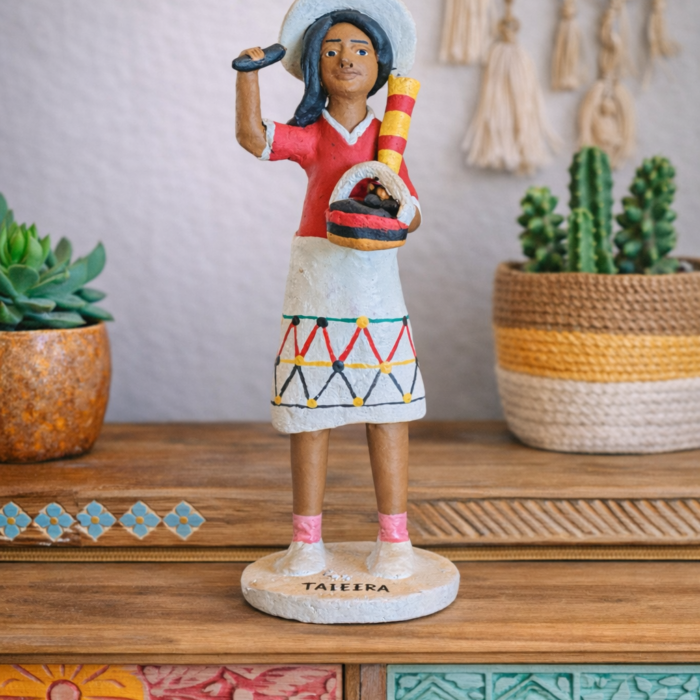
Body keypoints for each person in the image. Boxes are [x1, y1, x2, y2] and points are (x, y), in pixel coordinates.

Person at [235, 2, 425, 579]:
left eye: (360, 49)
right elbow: (254, 138)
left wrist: (393, 202)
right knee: (308, 411)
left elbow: (414, 212)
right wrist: (248, 77)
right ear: (315, 64)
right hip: (317, 279)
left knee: (387, 409)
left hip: (374, 281)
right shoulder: (315, 134)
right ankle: (306, 541)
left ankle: (395, 539)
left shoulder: (388, 138)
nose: (346, 59)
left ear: (380, 64)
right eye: (332, 49)